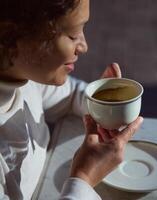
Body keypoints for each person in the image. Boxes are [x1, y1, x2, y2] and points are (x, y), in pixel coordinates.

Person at [0, 0, 143, 199]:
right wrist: (83, 179)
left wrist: (102, 104)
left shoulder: (28, 80)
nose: (84, 46)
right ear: (11, 33)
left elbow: (71, 95)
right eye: (73, 34)